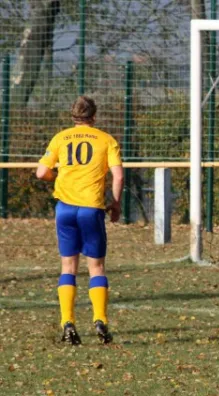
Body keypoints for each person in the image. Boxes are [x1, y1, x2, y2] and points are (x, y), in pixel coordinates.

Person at [36, 96, 124, 345]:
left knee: (68, 267)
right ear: (94, 116)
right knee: (96, 267)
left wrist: (60, 177)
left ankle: (68, 322)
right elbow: (118, 176)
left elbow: (41, 172)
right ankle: (100, 320)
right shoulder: (106, 139)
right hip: (90, 209)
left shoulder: (60, 138)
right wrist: (115, 204)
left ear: (72, 116)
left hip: (64, 209)